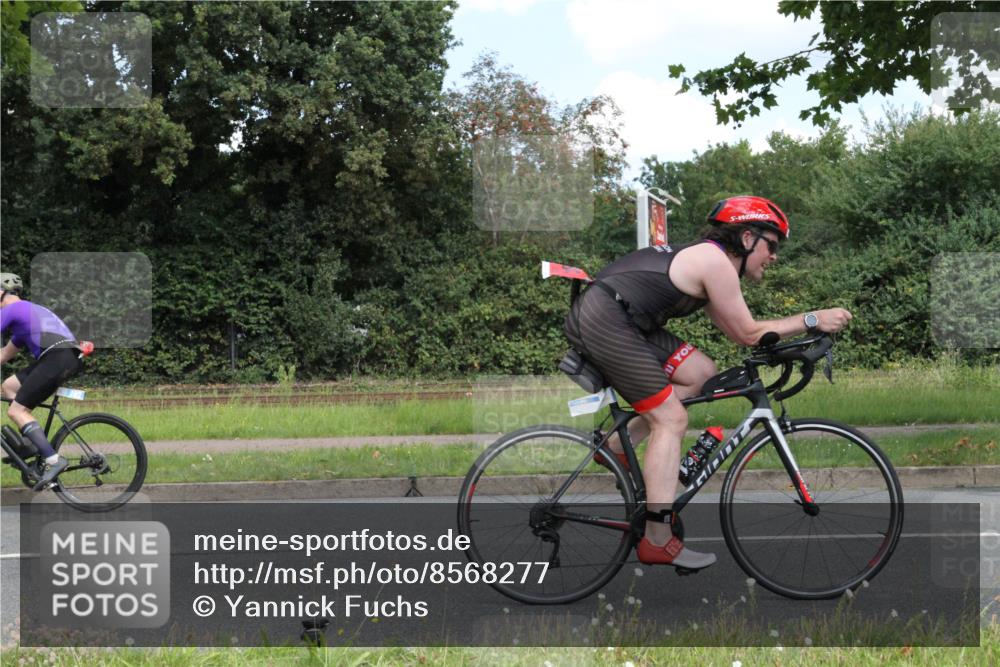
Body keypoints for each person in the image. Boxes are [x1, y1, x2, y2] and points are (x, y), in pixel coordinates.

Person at [564, 195, 852, 569]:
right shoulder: (715, 262)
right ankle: (657, 538)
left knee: (701, 372)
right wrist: (813, 319)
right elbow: (750, 333)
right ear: (747, 238)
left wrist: (794, 336)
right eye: (772, 245)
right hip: (606, 319)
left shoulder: (714, 264)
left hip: (621, 317)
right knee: (670, 419)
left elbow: (742, 335)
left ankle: (619, 446)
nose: (774, 256)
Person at [0, 272, 84, 490]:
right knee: (9, 386)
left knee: (16, 411)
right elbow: (3, 355)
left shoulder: (12, 309)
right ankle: (30, 444)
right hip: (60, 357)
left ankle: (54, 460)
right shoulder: (25, 315)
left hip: (57, 358)